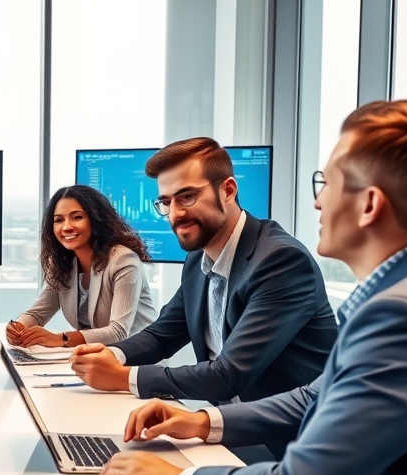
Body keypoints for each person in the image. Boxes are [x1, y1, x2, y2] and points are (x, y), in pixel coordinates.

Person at [99, 99, 407, 475]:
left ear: (368, 203)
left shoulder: (395, 318)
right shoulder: (386, 303)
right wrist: (203, 423)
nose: (316, 199)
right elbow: (314, 395)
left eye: (328, 181)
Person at [70, 137, 337, 414]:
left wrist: (122, 377)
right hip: (229, 425)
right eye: (166, 202)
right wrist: (110, 355)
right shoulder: (199, 258)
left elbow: (229, 375)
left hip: (281, 441)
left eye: (187, 196)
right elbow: (162, 335)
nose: (176, 214)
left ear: (228, 190)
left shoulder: (280, 261)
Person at [7, 185, 156, 349]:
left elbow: (118, 331)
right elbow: (37, 314)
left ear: (96, 219)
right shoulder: (61, 263)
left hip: (137, 360)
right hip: (95, 357)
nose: (66, 227)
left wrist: (61, 339)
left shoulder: (123, 260)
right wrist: (19, 328)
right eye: (58, 220)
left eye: (77, 217)